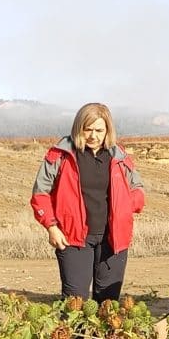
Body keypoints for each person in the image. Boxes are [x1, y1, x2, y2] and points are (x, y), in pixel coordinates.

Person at [30, 102, 145, 301]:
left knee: (108, 303)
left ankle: (102, 335)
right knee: (75, 302)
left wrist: (126, 209)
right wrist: (51, 226)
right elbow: (40, 194)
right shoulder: (61, 155)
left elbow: (138, 190)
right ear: (78, 128)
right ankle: (75, 334)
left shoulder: (119, 156)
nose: (93, 136)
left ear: (108, 130)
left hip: (113, 239)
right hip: (72, 239)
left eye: (99, 130)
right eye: (88, 129)